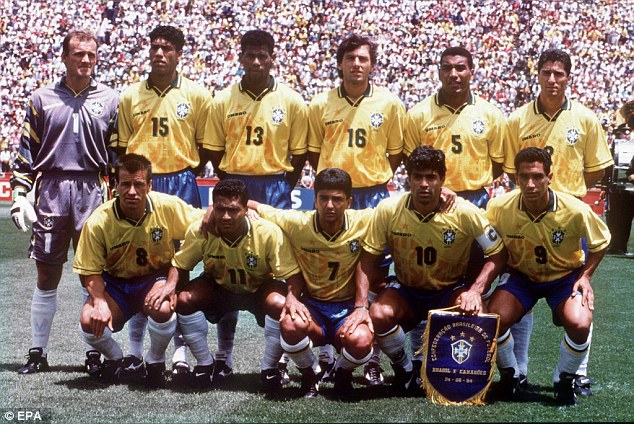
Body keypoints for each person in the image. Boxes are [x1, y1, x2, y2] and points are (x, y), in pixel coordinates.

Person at [350, 146, 507, 394]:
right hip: (407, 291)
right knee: (378, 314)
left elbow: (498, 253)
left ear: (442, 180)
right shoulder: (389, 209)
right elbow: (367, 258)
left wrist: (476, 290)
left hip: (449, 290)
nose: (424, 184)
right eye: (418, 177)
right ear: (408, 179)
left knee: (477, 313)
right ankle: (405, 369)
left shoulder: (463, 211)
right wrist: (360, 305)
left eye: (431, 177)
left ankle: (457, 374)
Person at [503, 48, 614, 395]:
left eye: (559, 74)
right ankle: (518, 369)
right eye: (546, 73)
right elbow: (512, 170)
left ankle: (576, 373)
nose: (552, 80)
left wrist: (567, 195)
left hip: (568, 219)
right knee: (520, 289)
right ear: (537, 75)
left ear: (568, 78)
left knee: (580, 292)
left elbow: (595, 169)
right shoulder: (517, 120)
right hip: (527, 215)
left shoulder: (585, 119)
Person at [10, 29, 119, 375]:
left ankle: (93, 353)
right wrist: (20, 194)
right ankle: (37, 351)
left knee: (93, 275)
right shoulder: (41, 99)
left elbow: (117, 156)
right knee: (47, 274)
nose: (85, 60)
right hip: (52, 190)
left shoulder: (111, 99)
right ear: (64, 57)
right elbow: (27, 151)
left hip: (92, 190)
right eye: (78, 54)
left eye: (91, 54)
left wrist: (117, 199)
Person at [204, 29, 308, 382]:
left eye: (263, 55)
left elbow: (300, 154)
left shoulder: (291, 100)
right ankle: (223, 356)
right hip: (234, 182)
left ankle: (276, 361)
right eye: (250, 55)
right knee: (227, 269)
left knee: (276, 273)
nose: (257, 61)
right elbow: (214, 151)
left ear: (272, 58)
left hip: (274, 186)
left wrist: (281, 186)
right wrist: (231, 187)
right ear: (241, 57)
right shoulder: (223, 100)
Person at [113, 25, 212, 384]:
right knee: (141, 266)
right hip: (143, 184)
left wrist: (181, 172)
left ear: (178, 54)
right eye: (154, 47)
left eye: (167, 48)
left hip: (182, 181)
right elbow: (122, 150)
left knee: (180, 268)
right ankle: (135, 351)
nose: (159, 53)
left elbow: (206, 149)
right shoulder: (130, 96)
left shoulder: (198, 95)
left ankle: (181, 353)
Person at [307, 33, 406, 385]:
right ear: (340, 64)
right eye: (350, 58)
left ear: (372, 64)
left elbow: (396, 153)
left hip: (373, 195)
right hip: (334, 197)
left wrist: (370, 177)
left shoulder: (389, 103)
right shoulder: (319, 104)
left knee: (375, 275)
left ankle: (373, 358)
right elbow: (313, 153)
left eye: (363, 58)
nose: (356, 64)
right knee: (326, 270)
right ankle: (325, 352)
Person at [403, 46, 506, 376]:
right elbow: (412, 163)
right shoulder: (418, 114)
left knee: (474, 282)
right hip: (430, 204)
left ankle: (469, 362)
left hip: (475, 204)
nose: (454, 74)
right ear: (438, 72)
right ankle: (419, 359)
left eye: (461, 68)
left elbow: (499, 164)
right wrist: (438, 189)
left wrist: (464, 192)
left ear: (471, 71)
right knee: (426, 280)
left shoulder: (490, 114)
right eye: (447, 68)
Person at [486, 147, 611, 405]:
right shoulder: (499, 207)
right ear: (516, 178)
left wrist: (585, 276)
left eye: (537, 176)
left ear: (549, 177)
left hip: (564, 277)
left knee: (580, 323)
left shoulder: (575, 209)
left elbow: (601, 242)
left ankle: (564, 378)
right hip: (521, 276)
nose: (530, 184)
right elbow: (479, 234)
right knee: (493, 320)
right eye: (524, 177)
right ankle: (511, 376)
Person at [72, 153, 204, 387]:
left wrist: (251, 208)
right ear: (115, 186)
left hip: (154, 277)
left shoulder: (167, 206)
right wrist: (99, 301)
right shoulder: (98, 221)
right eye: (125, 184)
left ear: (149, 185)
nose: (132, 191)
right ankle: (117, 359)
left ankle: (154, 361)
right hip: (117, 283)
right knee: (88, 319)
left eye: (139, 184)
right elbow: (89, 271)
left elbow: (203, 223)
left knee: (162, 308)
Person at [248, 168, 374, 398]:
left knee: (362, 341)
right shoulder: (297, 223)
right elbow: (252, 204)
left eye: (337, 199)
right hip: (313, 307)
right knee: (289, 325)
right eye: (323, 198)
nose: (329, 205)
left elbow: (397, 211)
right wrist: (237, 209)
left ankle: (342, 372)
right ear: (314, 199)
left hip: (346, 308)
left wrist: (444, 198)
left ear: (349, 202)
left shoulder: (364, 221)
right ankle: (310, 374)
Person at [169, 179, 304, 394]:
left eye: (233, 210)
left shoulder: (267, 231)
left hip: (259, 287)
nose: (225, 216)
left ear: (246, 209)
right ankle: (205, 364)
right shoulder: (202, 229)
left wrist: (293, 298)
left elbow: (291, 273)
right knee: (184, 299)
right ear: (212, 207)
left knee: (280, 304)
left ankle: (270, 367)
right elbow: (180, 263)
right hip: (219, 287)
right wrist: (170, 286)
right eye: (220, 209)